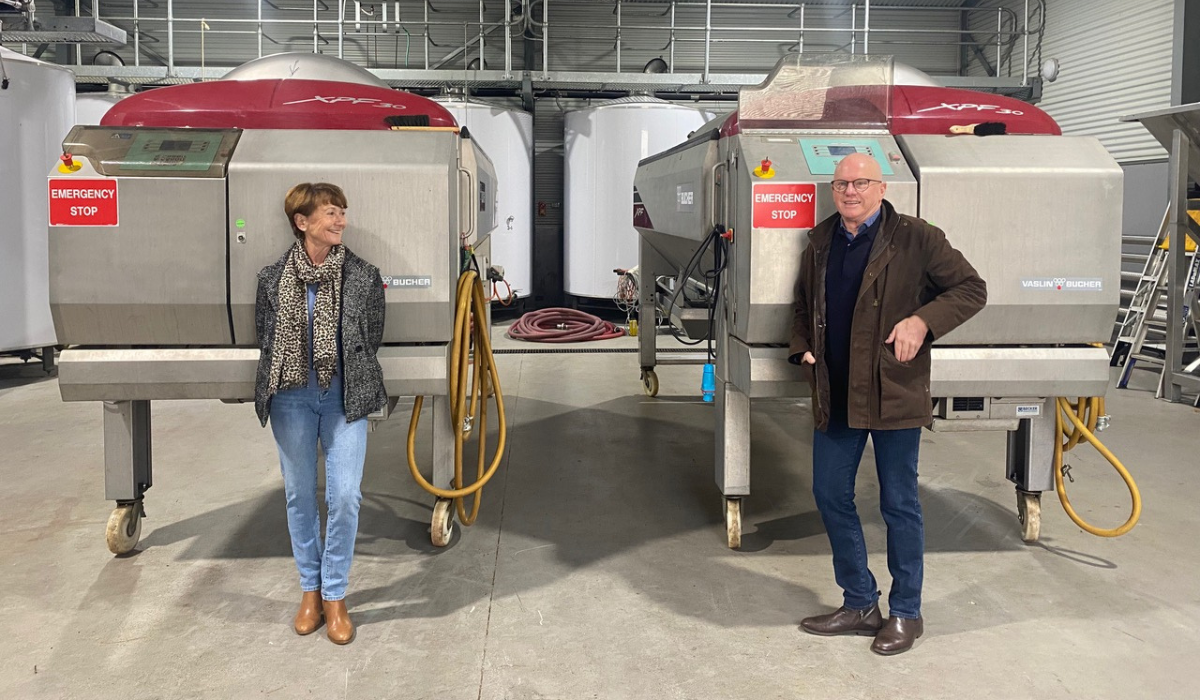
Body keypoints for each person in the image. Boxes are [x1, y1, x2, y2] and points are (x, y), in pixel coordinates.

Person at [789, 153, 986, 655]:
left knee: (899, 502)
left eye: (860, 183)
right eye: (840, 184)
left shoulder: (918, 237)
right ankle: (859, 602)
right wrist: (803, 345)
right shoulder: (821, 240)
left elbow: (971, 288)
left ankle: (906, 613)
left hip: (893, 388)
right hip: (836, 389)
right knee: (830, 493)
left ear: (882, 187)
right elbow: (803, 304)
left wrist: (923, 322)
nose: (849, 192)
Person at [254, 183, 387, 645]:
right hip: (290, 396)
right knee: (299, 497)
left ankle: (335, 595)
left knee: (345, 496)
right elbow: (266, 340)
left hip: (342, 397)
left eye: (343, 212)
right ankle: (309, 592)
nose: (341, 221)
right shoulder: (272, 279)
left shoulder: (363, 276)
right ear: (302, 221)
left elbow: (370, 337)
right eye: (331, 213)